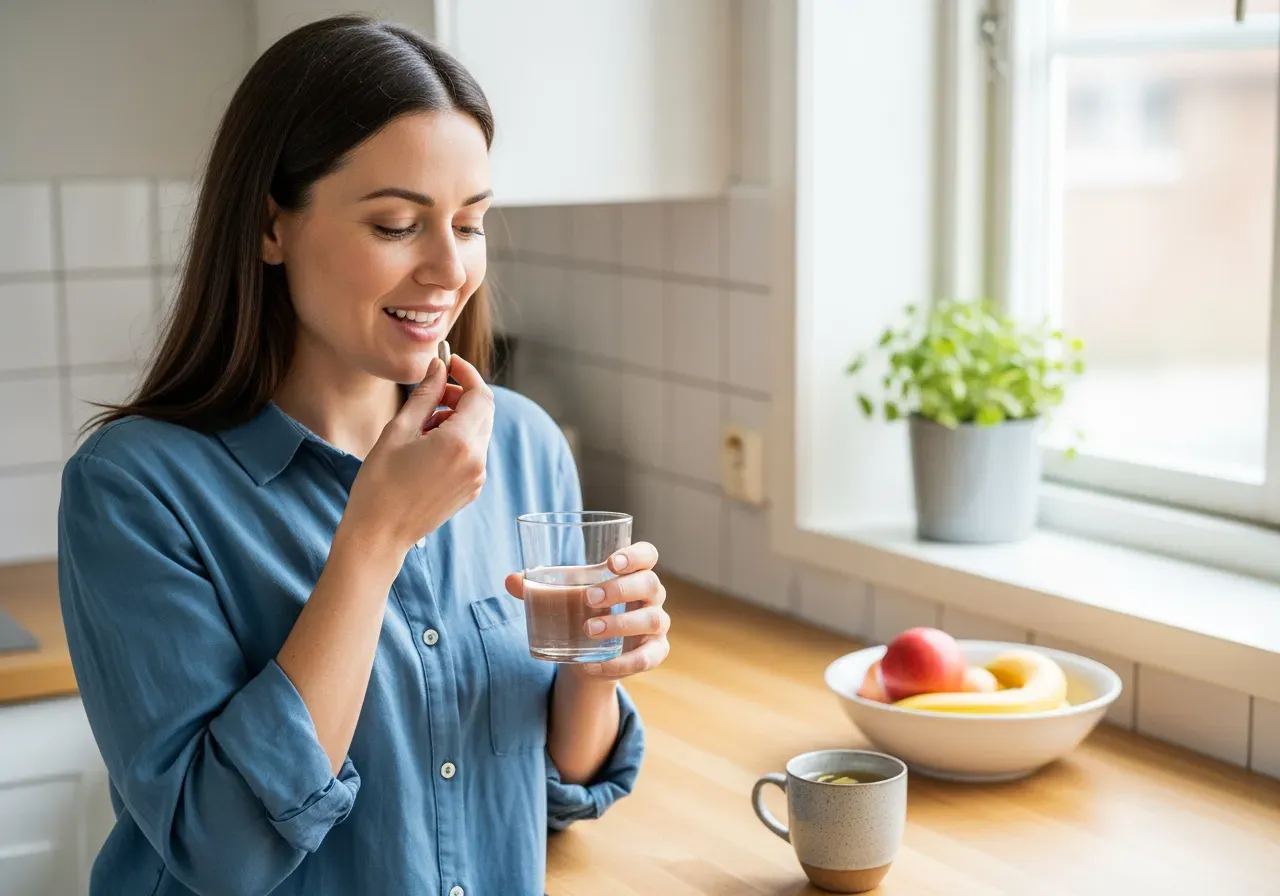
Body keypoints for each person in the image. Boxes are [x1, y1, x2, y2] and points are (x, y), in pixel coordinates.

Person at [57, 16, 670, 896]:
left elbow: (556, 787)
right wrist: (374, 536)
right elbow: (221, 858)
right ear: (272, 226)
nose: (449, 269)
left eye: (471, 223)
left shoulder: (525, 445)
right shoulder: (135, 490)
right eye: (395, 225)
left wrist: (598, 663)